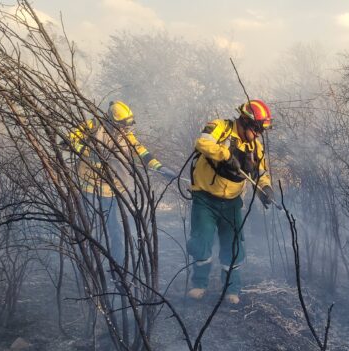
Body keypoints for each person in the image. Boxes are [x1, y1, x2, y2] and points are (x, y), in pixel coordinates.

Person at [66, 101, 176, 316]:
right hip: (89, 190)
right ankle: (88, 274)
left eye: (127, 126)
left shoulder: (125, 135)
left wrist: (160, 168)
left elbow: (140, 152)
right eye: (122, 126)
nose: (126, 130)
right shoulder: (92, 127)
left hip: (113, 191)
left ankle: (118, 272)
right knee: (89, 233)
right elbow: (69, 140)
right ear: (111, 121)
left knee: (115, 233)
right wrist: (89, 152)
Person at [186, 99, 275, 305]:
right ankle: (199, 284)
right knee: (202, 241)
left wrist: (265, 189)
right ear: (245, 122)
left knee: (233, 246)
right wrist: (226, 155)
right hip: (205, 198)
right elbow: (203, 142)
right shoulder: (220, 128)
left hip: (232, 202)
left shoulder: (256, 147)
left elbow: (260, 172)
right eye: (257, 129)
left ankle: (231, 289)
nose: (259, 134)